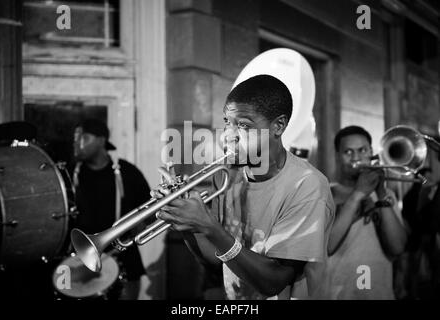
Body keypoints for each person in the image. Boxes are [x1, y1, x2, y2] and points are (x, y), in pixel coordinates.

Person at [152, 75, 335, 300]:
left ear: (278, 126)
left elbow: (273, 282)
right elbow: (217, 258)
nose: (228, 136)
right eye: (227, 122)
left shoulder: (307, 185)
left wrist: (208, 225)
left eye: (244, 126)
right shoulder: (229, 175)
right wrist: (189, 225)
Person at [323, 125, 407, 299]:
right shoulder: (325, 194)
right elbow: (327, 246)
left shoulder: (386, 194)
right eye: (348, 152)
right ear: (338, 156)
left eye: (362, 150)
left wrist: (382, 193)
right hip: (337, 293)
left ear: (371, 152)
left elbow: (398, 247)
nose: (356, 158)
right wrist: (358, 194)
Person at [72, 118, 150, 299]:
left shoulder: (127, 172)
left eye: (83, 137)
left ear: (101, 140)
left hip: (124, 260)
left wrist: (141, 225)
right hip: (81, 262)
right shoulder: (70, 173)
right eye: (74, 138)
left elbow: (150, 210)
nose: (76, 142)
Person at [399, 135, 440, 299]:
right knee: (416, 269)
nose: (429, 179)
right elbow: (411, 214)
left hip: (427, 237)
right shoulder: (415, 194)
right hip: (418, 236)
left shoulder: (431, 191)